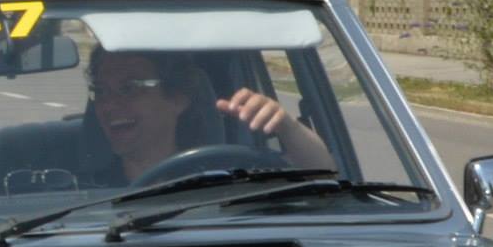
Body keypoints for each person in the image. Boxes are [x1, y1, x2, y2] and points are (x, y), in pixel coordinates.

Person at [88, 48, 333, 184]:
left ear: (178, 98)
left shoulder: (227, 181)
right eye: (100, 91)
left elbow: (326, 185)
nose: (108, 105)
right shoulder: (83, 191)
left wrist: (287, 127)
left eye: (129, 88)